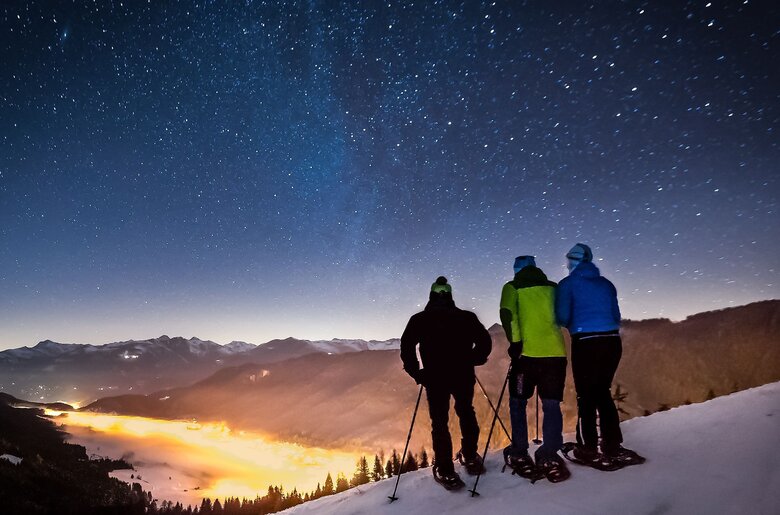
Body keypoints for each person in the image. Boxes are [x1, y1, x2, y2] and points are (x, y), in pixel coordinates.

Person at [400, 276, 492, 490]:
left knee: (439, 422)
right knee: (466, 412)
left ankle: (445, 469)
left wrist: (416, 373)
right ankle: (470, 456)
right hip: (463, 374)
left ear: (431, 295)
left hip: (435, 377)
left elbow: (406, 347)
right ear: (450, 295)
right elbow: (485, 341)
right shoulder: (466, 317)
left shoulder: (420, 319)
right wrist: (475, 358)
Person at [556, 243, 642, 469]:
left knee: (586, 395)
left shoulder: (567, 284)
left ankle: (588, 447)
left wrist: (575, 322)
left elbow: (563, 317)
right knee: (603, 392)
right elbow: (616, 315)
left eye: (569, 259)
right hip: (612, 341)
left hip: (586, 342)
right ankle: (612, 445)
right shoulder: (606, 284)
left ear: (572, 261)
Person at [499, 255, 570, 482]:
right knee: (551, 405)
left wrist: (516, 344)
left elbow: (508, 315)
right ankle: (548, 455)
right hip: (555, 355)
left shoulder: (512, 287)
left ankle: (519, 451)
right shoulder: (553, 287)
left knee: (518, 402)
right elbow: (563, 316)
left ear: (516, 269)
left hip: (527, 358)